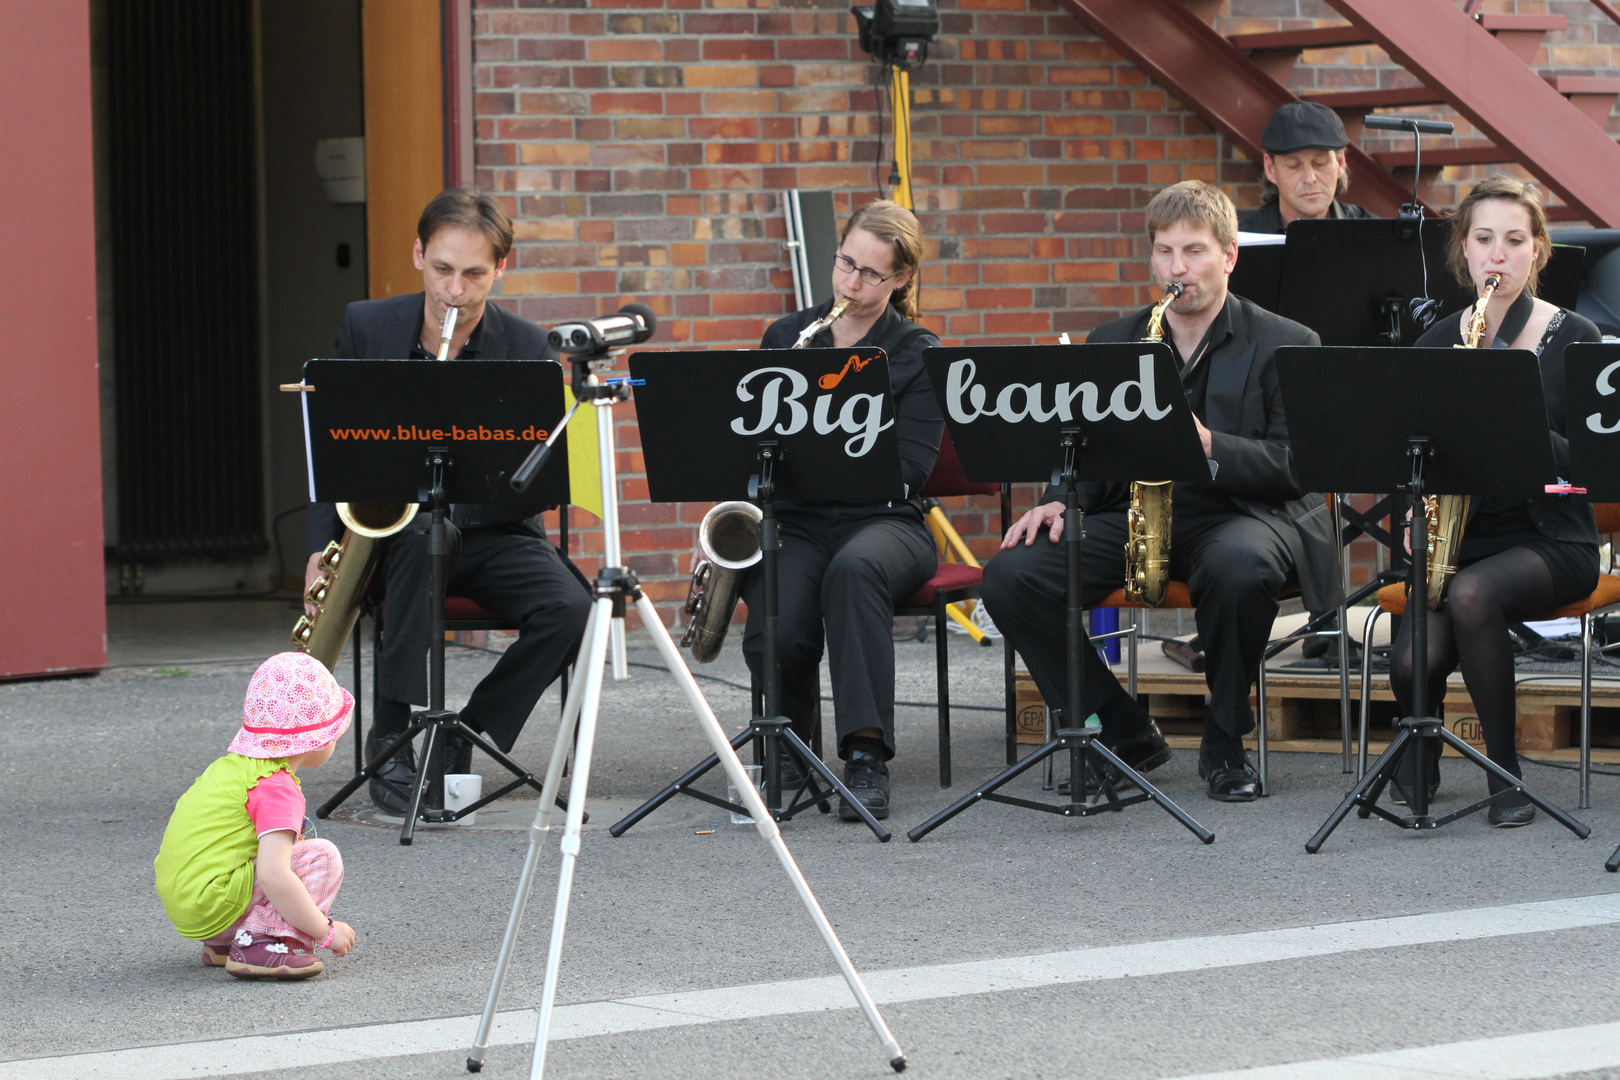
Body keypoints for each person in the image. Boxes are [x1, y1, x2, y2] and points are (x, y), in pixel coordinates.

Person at [981, 180, 1341, 802]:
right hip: (1134, 512)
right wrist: (1058, 496)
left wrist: (1209, 444)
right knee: (1011, 577)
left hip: (1243, 513)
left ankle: (1225, 738)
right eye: (1166, 252)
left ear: (1229, 256)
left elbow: (1298, 466)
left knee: (1238, 567)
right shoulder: (1115, 341)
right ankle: (1123, 728)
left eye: (1195, 252)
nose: (1179, 269)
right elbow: (1079, 447)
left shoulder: (1287, 341)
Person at [305, 188, 592, 815]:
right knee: (413, 543)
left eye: (473, 273)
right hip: (397, 534)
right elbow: (332, 449)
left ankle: (466, 734)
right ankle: (394, 738)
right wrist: (319, 549)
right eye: (442, 269)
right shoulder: (368, 325)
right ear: (418, 254)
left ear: (501, 269)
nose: (454, 290)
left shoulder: (527, 345)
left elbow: (535, 476)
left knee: (573, 607)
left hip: (493, 530)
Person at [1393, 175, 1602, 827]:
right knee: (1411, 656)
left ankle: (1504, 770)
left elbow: (1593, 467)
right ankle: (1420, 744)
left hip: (1552, 538)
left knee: (1473, 595)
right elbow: (1410, 454)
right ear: (1465, 248)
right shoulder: (1435, 345)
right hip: (1460, 537)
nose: (1498, 255)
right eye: (1484, 240)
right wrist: (1408, 509)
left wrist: (1512, 413)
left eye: (1515, 240)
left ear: (1537, 250)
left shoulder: (1578, 338)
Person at [746, 199, 943, 821]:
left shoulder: (916, 351)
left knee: (854, 572)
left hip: (887, 521)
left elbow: (910, 470)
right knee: (778, 590)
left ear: (902, 280)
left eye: (870, 274)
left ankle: (865, 755)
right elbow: (752, 447)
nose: (850, 284)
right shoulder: (788, 338)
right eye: (844, 265)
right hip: (802, 519)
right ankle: (787, 740)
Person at [154, 652, 358, 980]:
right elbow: (273, 875)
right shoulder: (276, 788)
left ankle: (224, 943)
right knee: (321, 858)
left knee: (278, 852)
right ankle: (261, 943)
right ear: (314, 740)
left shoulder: (232, 768)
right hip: (215, 903)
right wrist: (325, 931)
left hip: (189, 903)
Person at [1237, 101, 1377, 234]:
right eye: (1294, 166)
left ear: (1340, 163)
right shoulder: (1241, 241)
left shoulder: (1375, 235)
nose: (1310, 178)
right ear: (1270, 168)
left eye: (1320, 163)